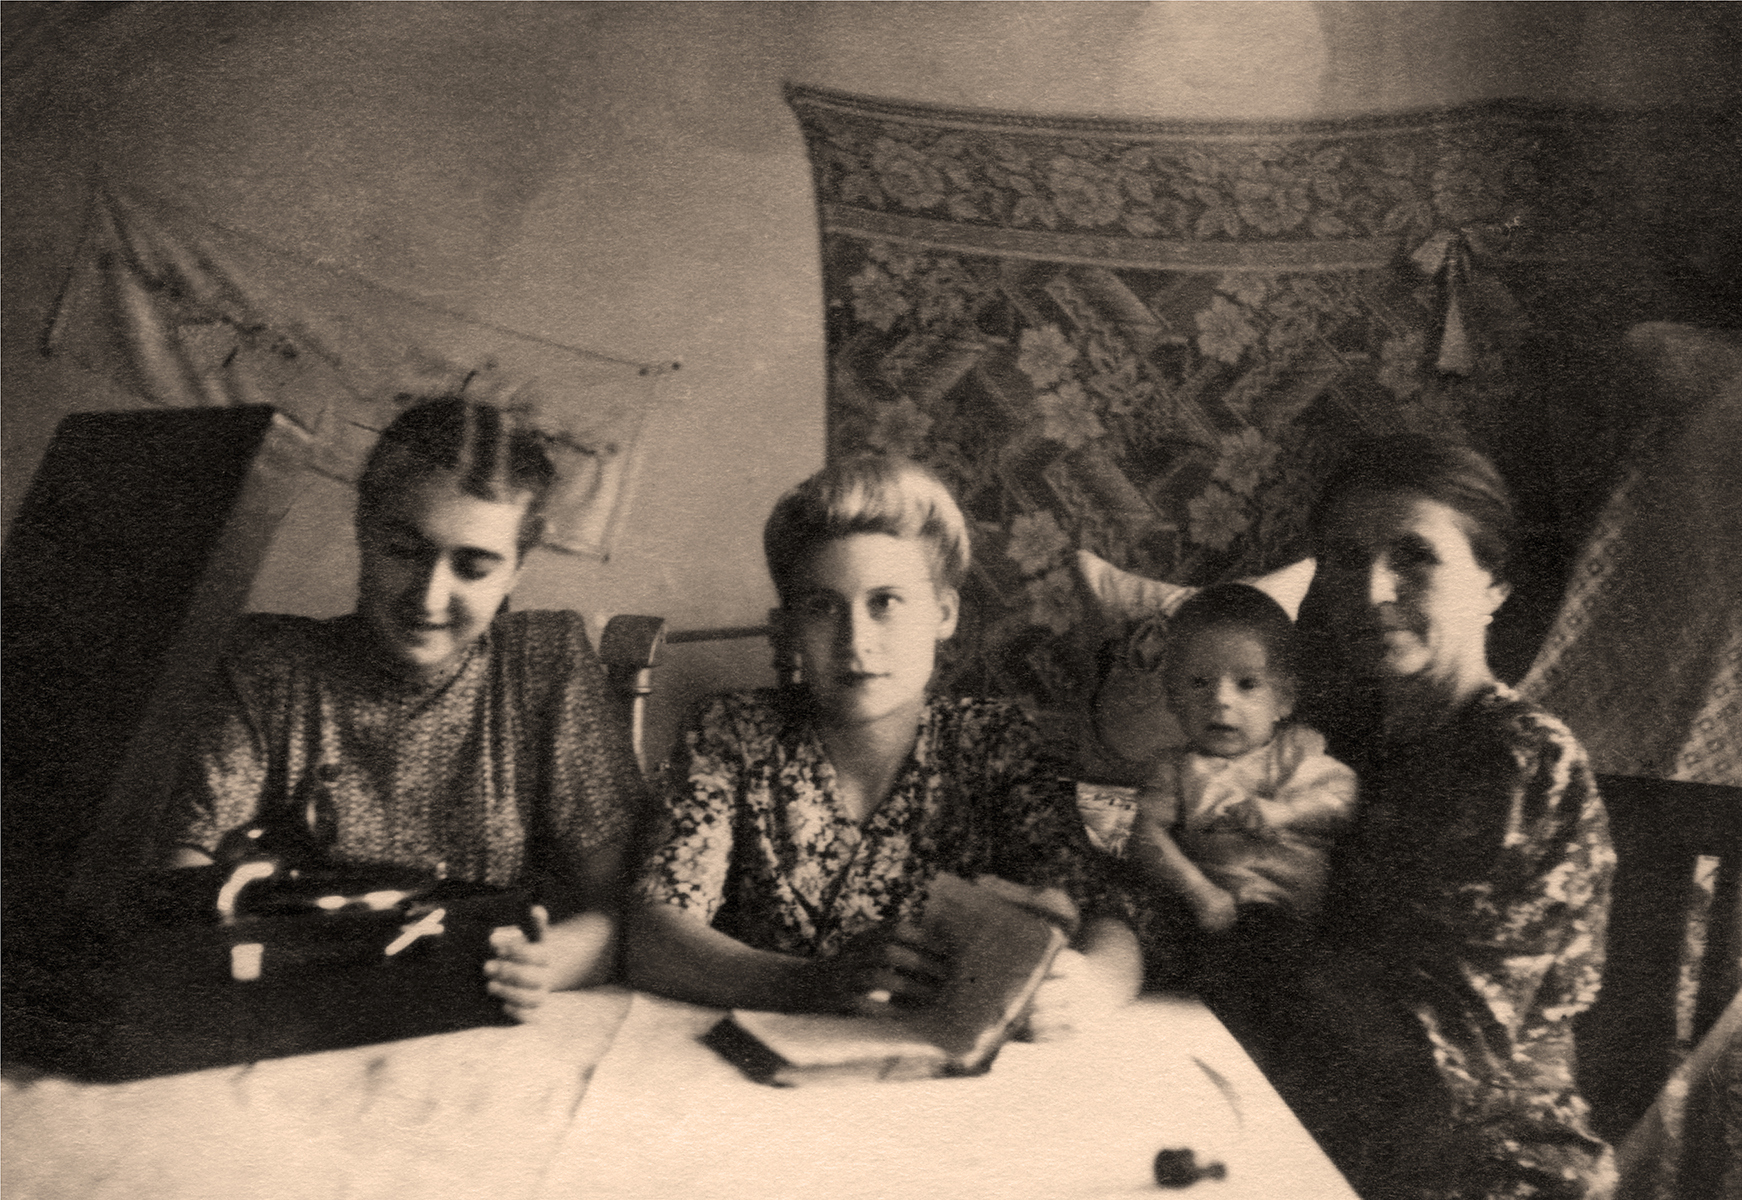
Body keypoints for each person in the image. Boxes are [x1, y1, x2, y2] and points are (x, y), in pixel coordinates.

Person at [163, 398, 647, 1018]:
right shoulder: (270, 668)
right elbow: (183, 886)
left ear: (517, 570)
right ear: (364, 532)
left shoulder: (541, 666)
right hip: (294, 1011)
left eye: (472, 567)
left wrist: (548, 963)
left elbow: (623, 908)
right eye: (404, 549)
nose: (430, 594)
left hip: (472, 1012)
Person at [625, 454, 1140, 1034]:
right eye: (821, 607)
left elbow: (1107, 917)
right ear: (789, 626)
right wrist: (812, 983)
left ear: (943, 613)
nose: (856, 641)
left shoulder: (995, 742)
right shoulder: (732, 731)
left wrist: (1091, 986)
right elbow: (653, 932)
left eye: (886, 603)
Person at [1271, 434, 1617, 1199]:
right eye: (1345, 557)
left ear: (1493, 584)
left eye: (1414, 556)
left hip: (1487, 1170)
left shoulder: (1524, 765)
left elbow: (1440, 1061)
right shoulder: (1337, 734)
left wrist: (1288, 923)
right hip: (1318, 1134)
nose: (1371, 591)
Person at [1124, 584, 1356, 1020]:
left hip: (1292, 915)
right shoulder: (1175, 769)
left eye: (1247, 684)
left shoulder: (1295, 752)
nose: (1221, 700)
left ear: (1283, 699)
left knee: (1293, 978)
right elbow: (1143, 833)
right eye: (1199, 683)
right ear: (1173, 697)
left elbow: (1343, 799)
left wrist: (1284, 811)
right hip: (1211, 908)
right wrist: (1199, 891)